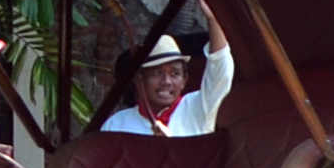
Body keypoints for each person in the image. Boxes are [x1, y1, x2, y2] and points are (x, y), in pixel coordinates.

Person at [98, 32, 233, 137]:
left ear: (184, 80)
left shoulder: (198, 107)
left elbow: (220, 66)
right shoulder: (116, 124)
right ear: (140, 80)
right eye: (157, 73)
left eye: (175, 74)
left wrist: (212, 19)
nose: (167, 81)